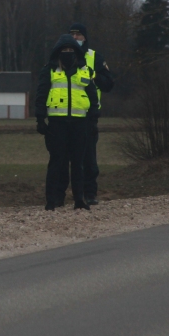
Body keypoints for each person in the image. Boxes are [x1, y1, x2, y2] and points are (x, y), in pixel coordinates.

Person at [35, 35, 100, 210]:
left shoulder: (85, 71)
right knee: (56, 162)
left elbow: (93, 97)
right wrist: (40, 119)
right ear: (58, 52)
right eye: (64, 50)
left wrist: (93, 120)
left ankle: (79, 200)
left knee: (78, 163)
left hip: (80, 124)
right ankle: (52, 200)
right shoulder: (49, 71)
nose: (68, 53)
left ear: (76, 52)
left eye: (71, 50)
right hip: (57, 124)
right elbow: (41, 94)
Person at [69, 22, 114, 206]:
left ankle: (90, 193)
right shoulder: (62, 56)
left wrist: (93, 75)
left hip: (88, 114)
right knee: (65, 157)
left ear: (85, 37)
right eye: (72, 34)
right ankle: (67, 194)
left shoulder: (94, 57)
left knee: (88, 158)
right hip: (66, 114)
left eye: (78, 34)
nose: (75, 38)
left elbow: (109, 84)